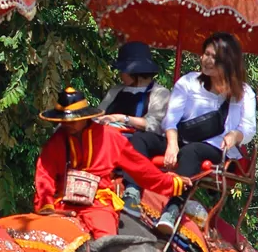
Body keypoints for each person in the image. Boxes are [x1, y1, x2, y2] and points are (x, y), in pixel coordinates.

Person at [34, 87, 186, 239]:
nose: (68, 124)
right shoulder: (56, 141)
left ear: (85, 117)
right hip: (63, 203)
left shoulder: (110, 137)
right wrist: (46, 205)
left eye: (73, 120)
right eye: (64, 121)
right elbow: (44, 175)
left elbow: (140, 168)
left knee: (107, 241)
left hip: (97, 204)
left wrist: (172, 183)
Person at [154, 31, 257, 178]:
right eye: (206, 54)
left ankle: (176, 193)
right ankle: (131, 189)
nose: (207, 60)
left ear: (228, 62)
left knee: (191, 151)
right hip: (181, 140)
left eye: (214, 57)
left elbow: (249, 128)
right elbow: (171, 119)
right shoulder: (188, 81)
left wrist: (235, 135)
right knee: (143, 139)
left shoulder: (245, 93)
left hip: (218, 149)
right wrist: (172, 144)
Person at [100, 41, 168, 151]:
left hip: (138, 143)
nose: (120, 74)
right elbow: (100, 113)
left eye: (122, 71)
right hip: (109, 136)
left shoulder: (159, 93)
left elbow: (154, 125)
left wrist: (123, 118)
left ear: (134, 72)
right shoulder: (115, 90)